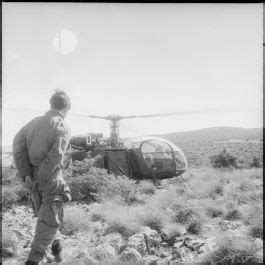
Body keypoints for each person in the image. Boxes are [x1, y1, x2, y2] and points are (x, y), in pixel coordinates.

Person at [13, 89, 72, 265]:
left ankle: (58, 254)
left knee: (46, 217)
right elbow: (56, 157)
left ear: (51, 104)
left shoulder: (31, 124)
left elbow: (18, 147)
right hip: (50, 180)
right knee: (49, 221)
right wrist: (41, 177)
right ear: (67, 107)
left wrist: (27, 175)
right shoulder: (62, 126)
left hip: (33, 181)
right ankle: (33, 260)